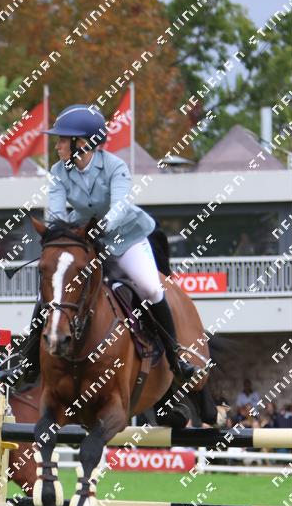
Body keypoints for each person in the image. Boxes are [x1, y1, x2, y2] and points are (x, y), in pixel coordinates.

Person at [13, 104, 200, 385]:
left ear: (82, 143)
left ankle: (176, 358)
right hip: (86, 238)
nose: (58, 145)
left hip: (126, 237)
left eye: (63, 139)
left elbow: (120, 206)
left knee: (150, 288)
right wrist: (58, 237)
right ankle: (28, 364)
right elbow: (56, 213)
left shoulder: (115, 166)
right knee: (51, 294)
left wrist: (102, 228)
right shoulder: (58, 171)